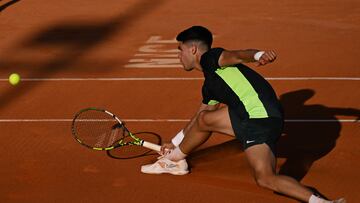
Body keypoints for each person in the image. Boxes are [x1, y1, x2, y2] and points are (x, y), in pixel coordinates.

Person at [141, 26, 345, 203]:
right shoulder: (210, 85)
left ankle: (175, 160)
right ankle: (323, 202)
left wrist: (258, 55)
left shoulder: (211, 58)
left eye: (180, 50)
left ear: (192, 49)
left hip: (258, 118)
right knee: (264, 178)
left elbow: (237, 55)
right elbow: (201, 117)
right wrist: (175, 142)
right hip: (259, 119)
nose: (178, 56)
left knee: (207, 122)